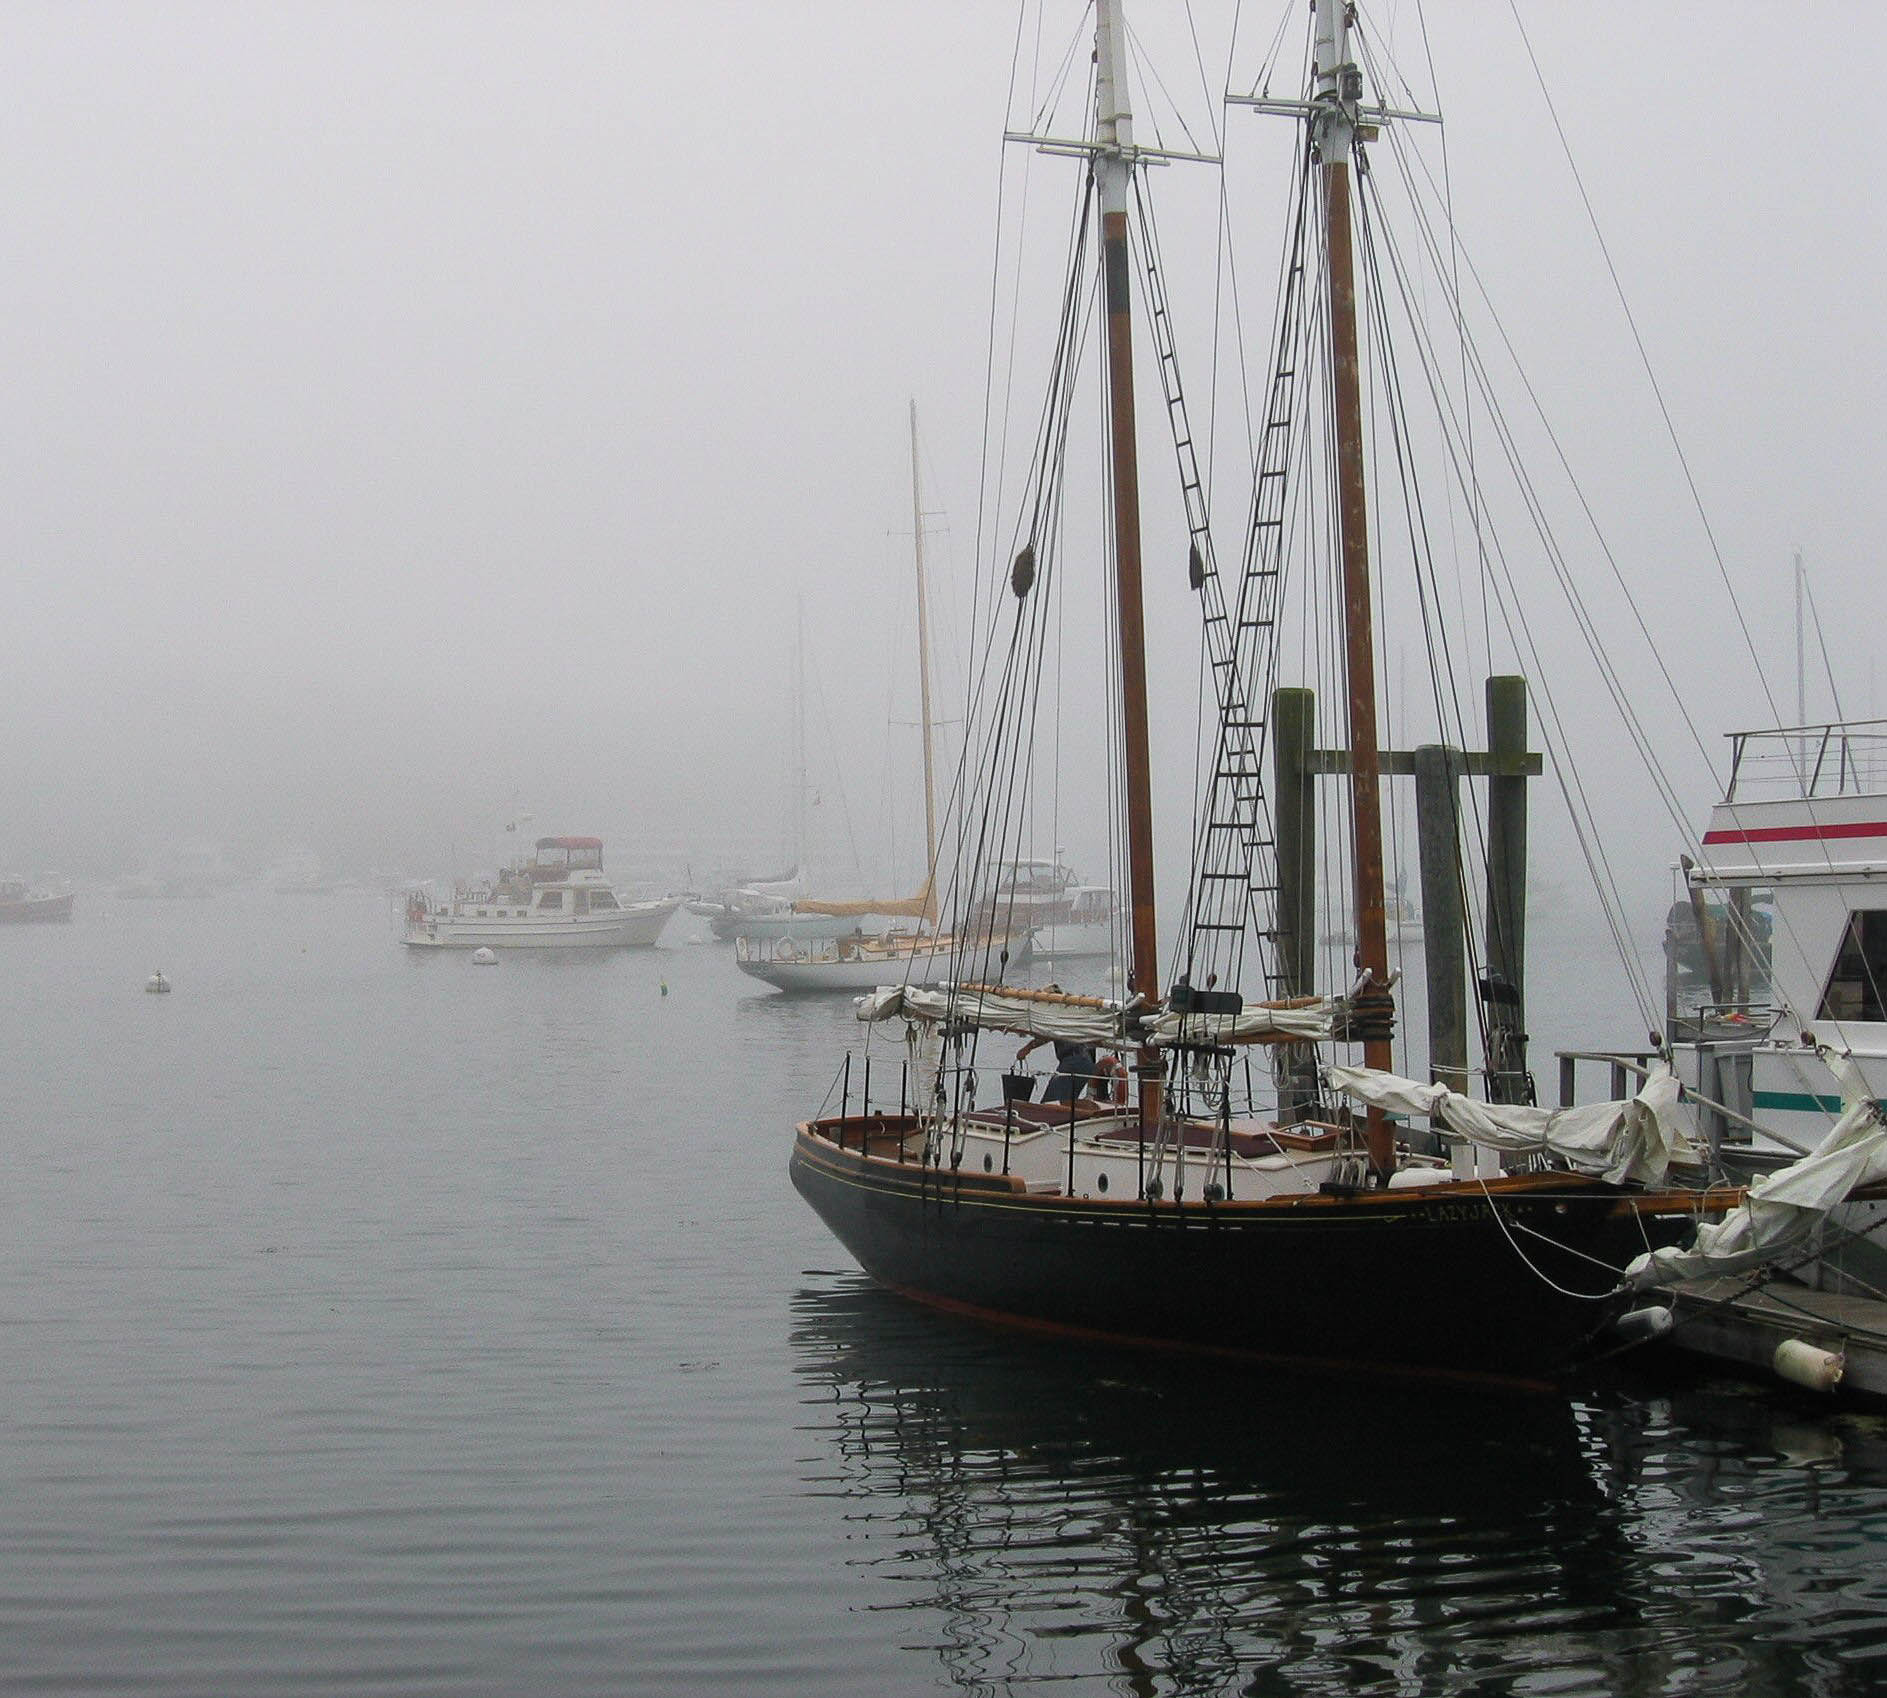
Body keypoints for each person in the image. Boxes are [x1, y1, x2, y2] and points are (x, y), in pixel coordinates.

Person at [1016, 1031, 1101, 1104]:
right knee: (1066, 1101)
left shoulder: (1061, 1019)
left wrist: (1028, 1047)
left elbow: (1049, 1034)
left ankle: (1050, 1119)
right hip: (1085, 1061)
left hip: (1074, 1060)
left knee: (1051, 1102)